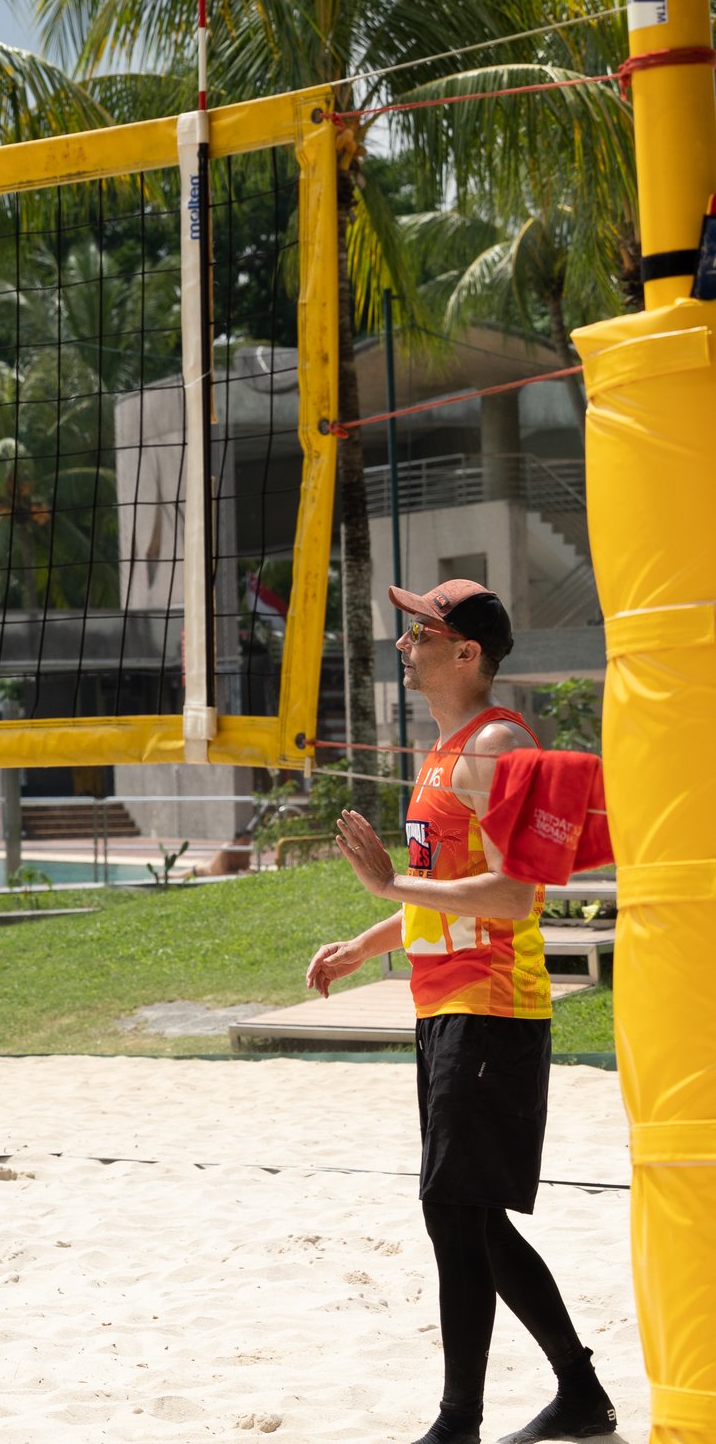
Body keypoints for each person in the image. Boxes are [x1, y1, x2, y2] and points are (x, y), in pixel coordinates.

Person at [304, 579, 616, 1444]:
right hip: (445, 1006)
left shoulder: (501, 745)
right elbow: (443, 891)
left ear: (467, 652)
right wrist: (367, 942)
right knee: (469, 1213)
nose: (405, 647)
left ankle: (458, 1424)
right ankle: (581, 1396)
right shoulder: (443, 753)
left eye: (422, 634)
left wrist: (386, 884)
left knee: (455, 1212)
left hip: (494, 1007)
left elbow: (517, 896)